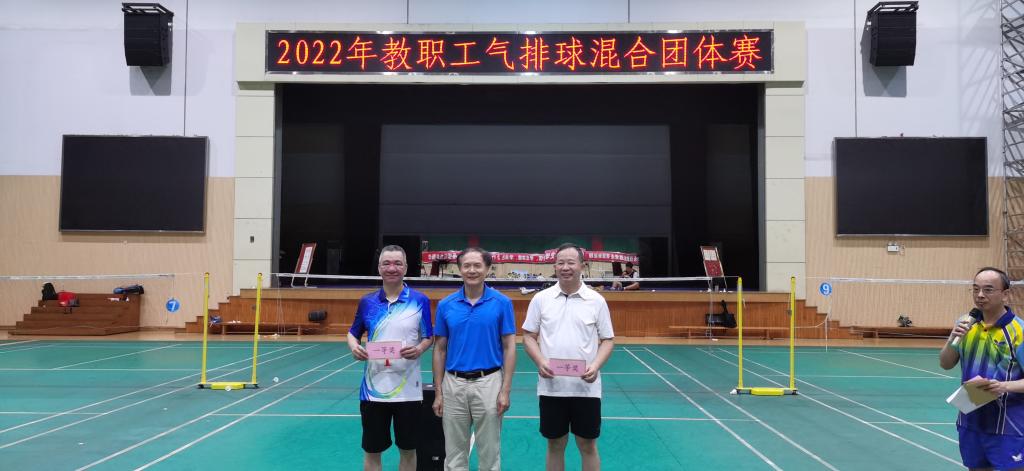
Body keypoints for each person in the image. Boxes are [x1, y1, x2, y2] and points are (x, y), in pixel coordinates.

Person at [522, 243, 615, 471]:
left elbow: (608, 340)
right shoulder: (541, 299)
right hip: (552, 388)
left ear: (582, 265)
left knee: (587, 445)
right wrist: (540, 361)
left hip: (586, 388)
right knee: (555, 444)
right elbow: (528, 336)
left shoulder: (596, 300)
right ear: (554, 266)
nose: (565, 267)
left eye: (571, 262)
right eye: (560, 263)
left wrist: (595, 365)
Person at [348, 245, 434, 471]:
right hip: (372, 391)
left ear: (405, 267)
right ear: (379, 268)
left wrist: (420, 348)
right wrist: (354, 347)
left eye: (397, 263)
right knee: (372, 450)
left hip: (409, 392)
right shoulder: (367, 302)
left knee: (408, 450)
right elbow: (353, 332)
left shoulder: (420, 300)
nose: (392, 268)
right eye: (386, 263)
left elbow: (428, 337)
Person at [432, 247, 517, 471]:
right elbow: (439, 349)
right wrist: (439, 392)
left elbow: (509, 347)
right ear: (459, 269)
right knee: (453, 455)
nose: (472, 270)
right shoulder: (446, 305)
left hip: (489, 383)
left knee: (489, 454)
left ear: (487, 269)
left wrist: (505, 390)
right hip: (453, 384)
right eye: (466, 266)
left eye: (477, 265)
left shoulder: (502, 303)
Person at [940, 267, 1024, 471]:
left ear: (1005, 294)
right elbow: (946, 363)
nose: (980, 295)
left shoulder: (1019, 332)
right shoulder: (965, 324)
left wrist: (1003, 386)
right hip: (970, 419)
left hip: (1007, 424)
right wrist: (953, 338)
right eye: (975, 289)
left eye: (988, 289)